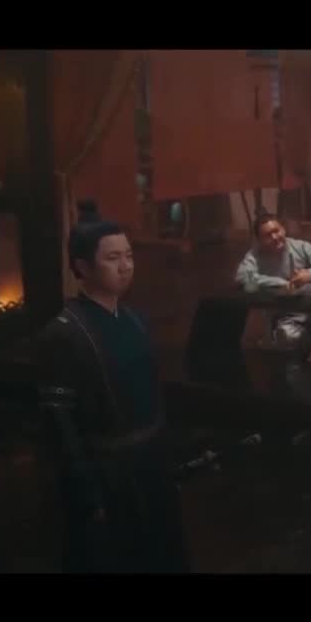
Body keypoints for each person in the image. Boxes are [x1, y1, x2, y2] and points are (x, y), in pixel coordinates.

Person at [35, 200, 189, 573]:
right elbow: (60, 422)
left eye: (129, 256)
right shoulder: (65, 333)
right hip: (107, 473)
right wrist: (85, 490)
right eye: (112, 258)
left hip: (150, 462)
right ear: (82, 266)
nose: (125, 266)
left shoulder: (135, 319)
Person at [234, 212, 311, 346]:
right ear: (259, 240)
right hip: (279, 311)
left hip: (309, 306)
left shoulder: (299, 247)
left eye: (276, 231)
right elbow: (242, 278)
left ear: (283, 229)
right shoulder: (254, 255)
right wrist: (279, 283)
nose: (274, 237)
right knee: (285, 335)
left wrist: (310, 274)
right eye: (267, 235)